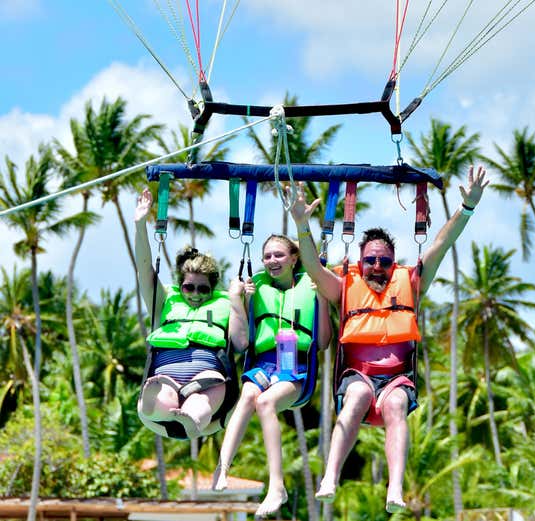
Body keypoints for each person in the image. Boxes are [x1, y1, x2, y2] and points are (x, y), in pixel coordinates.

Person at [290, 165, 488, 513]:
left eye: (384, 261)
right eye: (370, 260)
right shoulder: (343, 286)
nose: (377, 266)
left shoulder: (410, 282)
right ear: (360, 262)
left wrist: (468, 207)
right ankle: (330, 477)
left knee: (396, 406)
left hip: (398, 377)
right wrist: (302, 227)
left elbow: (442, 243)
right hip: (358, 375)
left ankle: (394, 487)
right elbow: (311, 267)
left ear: (394, 263)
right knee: (355, 399)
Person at [212, 234, 332, 517]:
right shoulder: (256, 288)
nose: (271, 261)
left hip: (296, 368)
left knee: (265, 403)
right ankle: (223, 467)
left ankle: (277, 486)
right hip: (264, 363)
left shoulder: (311, 285)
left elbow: (324, 343)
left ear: (294, 258)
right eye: (267, 256)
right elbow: (241, 341)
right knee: (248, 395)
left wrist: (323, 301)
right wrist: (238, 299)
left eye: (278, 255)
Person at [134, 187, 246, 439]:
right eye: (188, 287)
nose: (195, 294)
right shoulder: (164, 301)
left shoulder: (226, 302)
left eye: (203, 289)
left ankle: (191, 417)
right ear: (179, 284)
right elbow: (143, 268)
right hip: (166, 378)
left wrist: (237, 298)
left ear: (213, 286)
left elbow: (241, 343)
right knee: (164, 394)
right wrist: (140, 225)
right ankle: (156, 405)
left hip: (209, 380)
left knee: (202, 398)